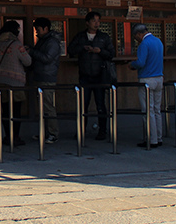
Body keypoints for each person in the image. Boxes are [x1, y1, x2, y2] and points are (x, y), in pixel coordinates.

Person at [68, 11, 116, 140]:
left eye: (98, 21)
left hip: (100, 74)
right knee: (83, 105)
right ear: (87, 23)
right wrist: (83, 48)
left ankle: (102, 131)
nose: (97, 23)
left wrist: (100, 51)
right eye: (94, 21)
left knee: (101, 104)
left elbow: (112, 54)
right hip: (84, 75)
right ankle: (81, 130)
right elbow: (70, 50)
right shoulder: (80, 36)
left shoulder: (104, 37)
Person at [0, 20, 32, 146]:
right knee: (16, 111)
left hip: (0, 81)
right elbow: (28, 62)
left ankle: (7, 136)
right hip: (16, 82)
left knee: (6, 111)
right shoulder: (16, 44)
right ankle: (15, 137)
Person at [129, 23, 164, 148]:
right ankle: (159, 137)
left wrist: (132, 64)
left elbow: (141, 62)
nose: (136, 39)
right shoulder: (158, 41)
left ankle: (151, 139)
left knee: (147, 110)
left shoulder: (144, 44)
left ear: (139, 34)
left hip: (147, 79)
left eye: (135, 36)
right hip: (159, 77)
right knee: (157, 110)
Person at [29, 17, 62, 144]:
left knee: (48, 106)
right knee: (42, 107)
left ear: (45, 28)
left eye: (38, 29)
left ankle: (53, 133)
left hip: (47, 77)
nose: (36, 32)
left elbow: (47, 58)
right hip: (40, 75)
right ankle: (45, 132)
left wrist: (32, 52)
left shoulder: (52, 42)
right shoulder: (43, 40)